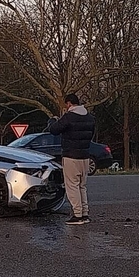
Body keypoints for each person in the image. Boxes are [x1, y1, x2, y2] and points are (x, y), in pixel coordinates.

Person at [48, 93, 96, 225]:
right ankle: (85, 213)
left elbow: (54, 130)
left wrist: (53, 120)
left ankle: (77, 215)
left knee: (72, 185)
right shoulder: (90, 118)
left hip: (71, 155)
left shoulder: (69, 117)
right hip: (85, 156)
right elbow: (91, 134)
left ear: (69, 103)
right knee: (82, 185)